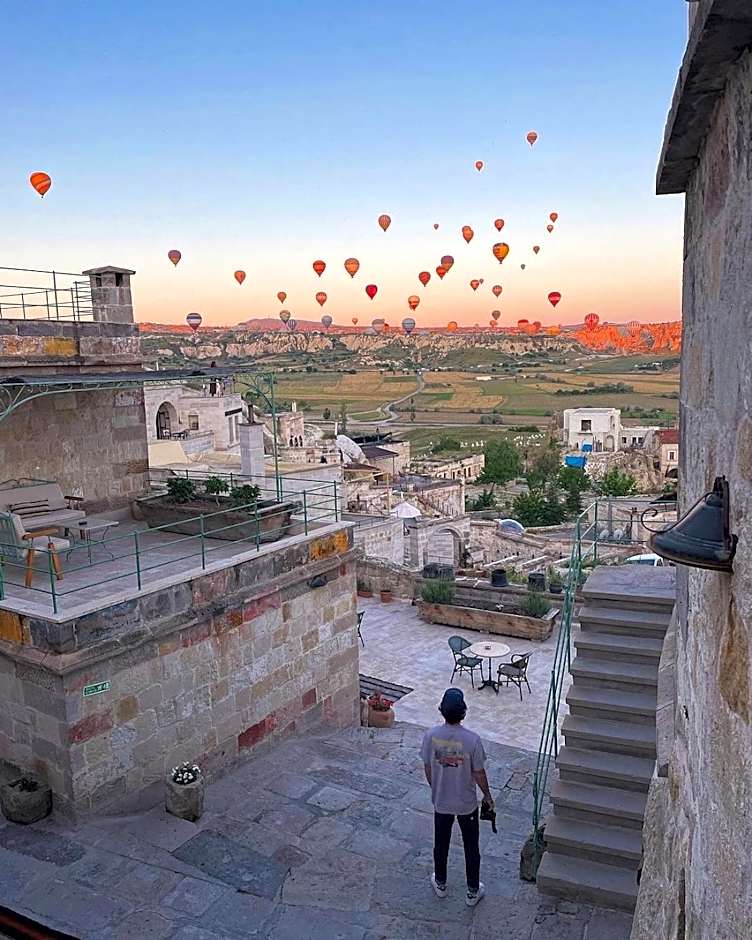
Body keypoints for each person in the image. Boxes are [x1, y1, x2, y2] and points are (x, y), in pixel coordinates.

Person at [420, 687, 494, 906]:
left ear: (442, 710)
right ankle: (472, 890)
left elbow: (428, 767)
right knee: (471, 846)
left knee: (440, 843)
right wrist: (487, 796)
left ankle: (440, 882)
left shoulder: (431, 736)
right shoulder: (472, 740)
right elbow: (478, 772)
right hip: (466, 803)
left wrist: (437, 787)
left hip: (441, 800)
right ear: (463, 712)